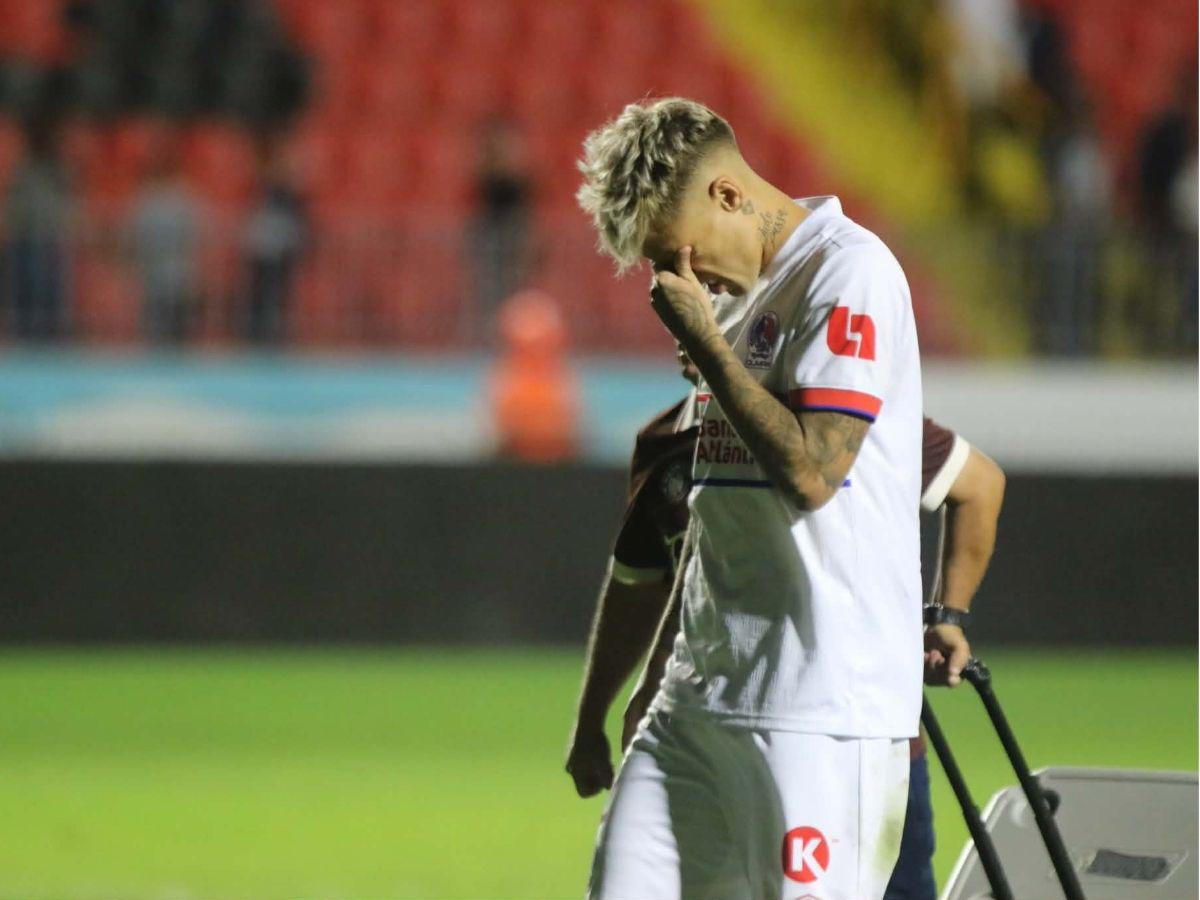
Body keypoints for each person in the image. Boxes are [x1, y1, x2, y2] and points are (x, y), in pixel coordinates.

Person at [574, 97, 941, 899]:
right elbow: (718, 523)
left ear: (729, 197)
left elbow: (813, 473)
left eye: (678, 255)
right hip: (694, 706)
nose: (674, 282)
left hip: (819, 716)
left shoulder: (852, 272)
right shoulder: (735, 302)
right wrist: (646, 683)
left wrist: (708, 349)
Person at [567, 361, 1005, 899]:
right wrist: (594, 719)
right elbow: (640, 584)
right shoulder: (666, 443)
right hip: (704, 745)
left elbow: (979, 483)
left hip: (857, 745)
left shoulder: (833, 424)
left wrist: (947, 618)